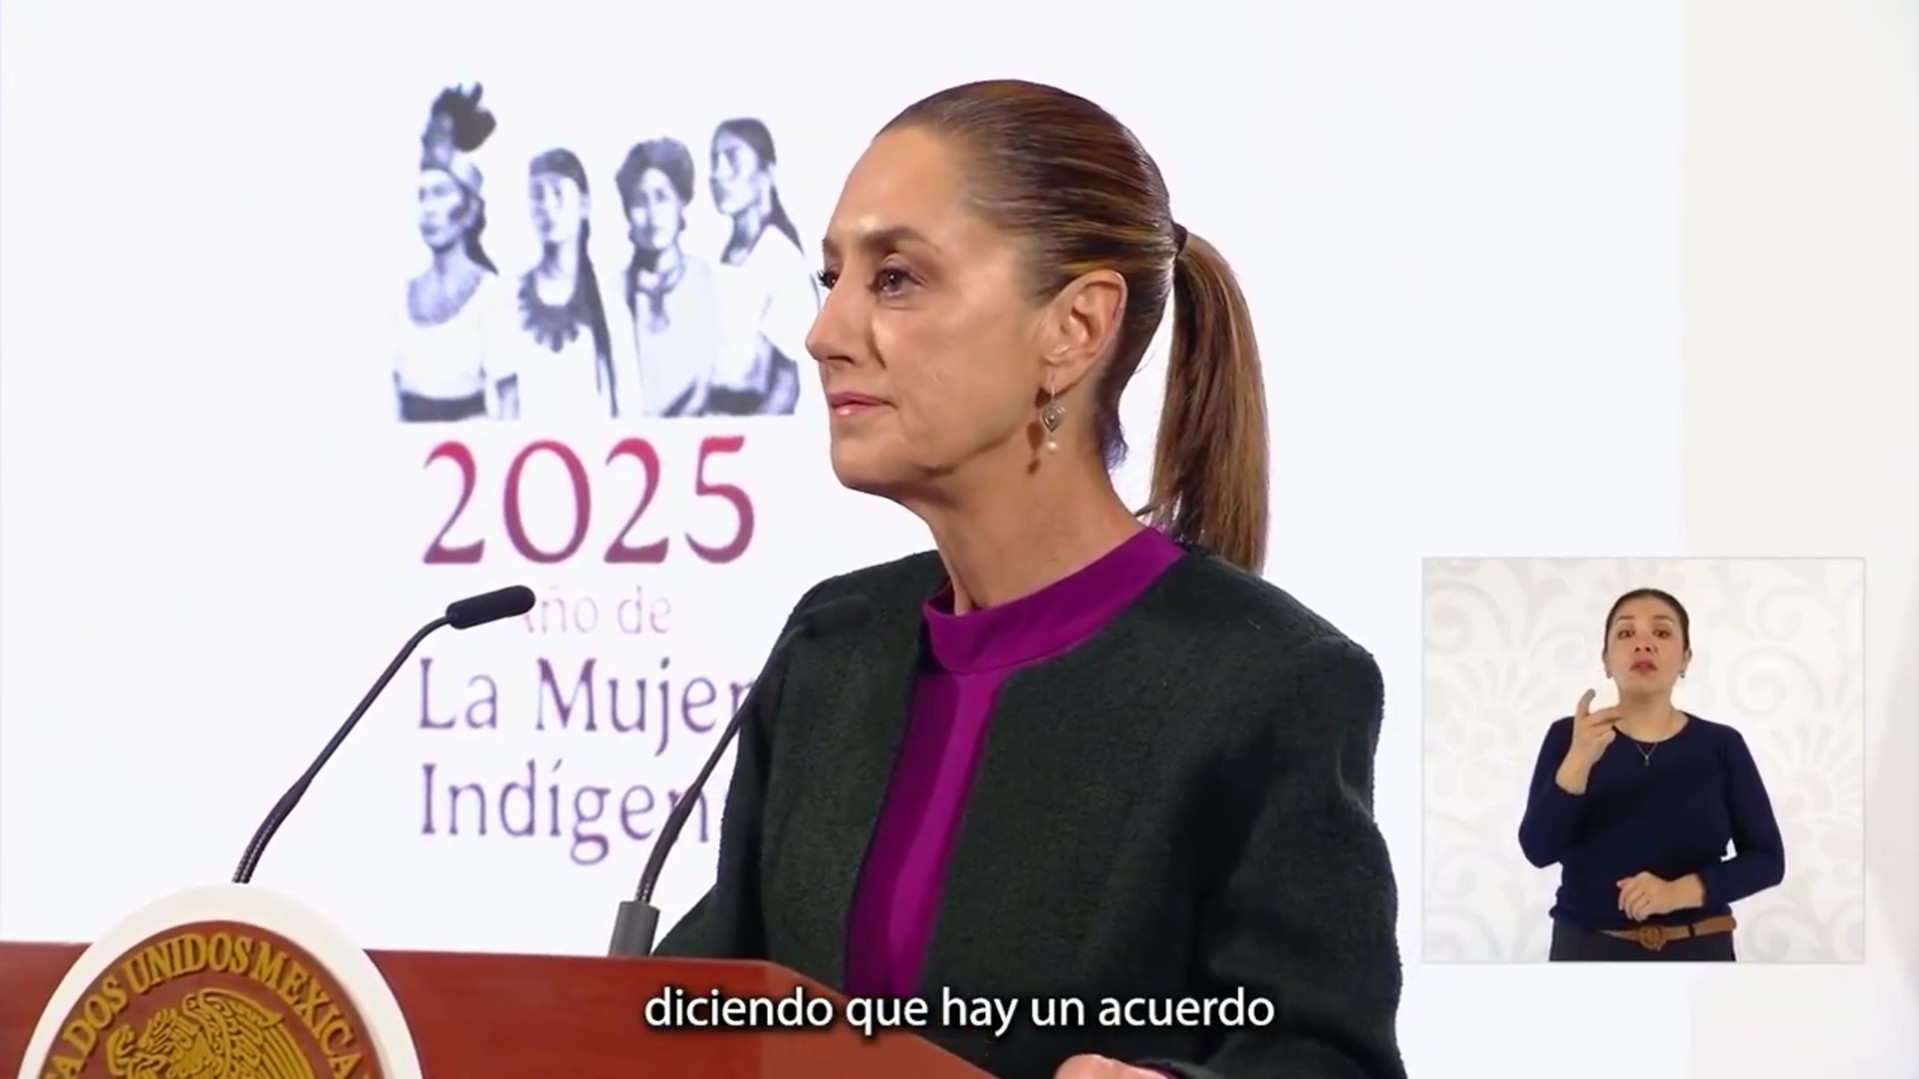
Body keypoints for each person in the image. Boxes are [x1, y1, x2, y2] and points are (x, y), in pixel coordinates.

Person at [654, 79, 1405, 1079]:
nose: (823, 332)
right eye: (830, 278)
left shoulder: (1268, 680)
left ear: (1075, 327)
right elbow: (703, 1002)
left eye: (895, 279)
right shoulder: (832, 639)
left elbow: (1324, 1055)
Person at [1517, 587, 1787, 962]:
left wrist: (1676, 893)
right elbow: (1537, 850)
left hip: (1700, 953)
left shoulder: (1721, 745)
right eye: (1626, 633)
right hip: (1586, 953)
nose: (1643, 644)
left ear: (1685, 658)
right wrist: (1579, 760)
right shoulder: (1569, 736)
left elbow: (1767, 861)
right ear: (1606, 659)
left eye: (1661, 632)